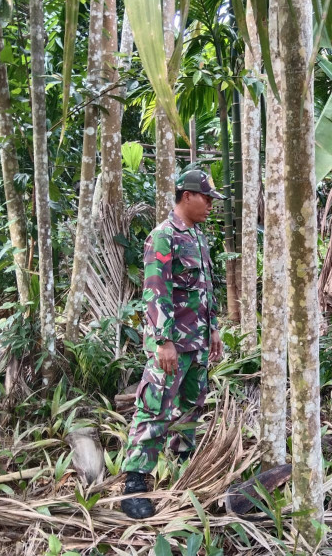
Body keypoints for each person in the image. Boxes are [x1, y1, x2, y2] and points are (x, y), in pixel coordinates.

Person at [121, 170, 225, 519]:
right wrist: (163, 341)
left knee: (191, 406)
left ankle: (184, 468)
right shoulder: (163, 237)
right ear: (186, 196)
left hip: (196, 342)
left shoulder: (197, 236)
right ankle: (134, 484)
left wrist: (213, 329)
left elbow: (205, 287)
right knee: (154, 409)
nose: (211, 205)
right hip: (172, 346)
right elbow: (155, 292)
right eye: (206, 198)